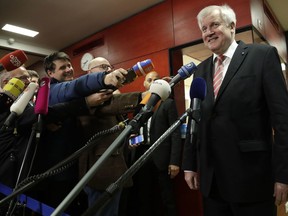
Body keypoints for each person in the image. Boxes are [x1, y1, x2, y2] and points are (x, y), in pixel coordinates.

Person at [182, 4, 288, 216]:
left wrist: (283, 175)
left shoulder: (262, 56)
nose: (208, 32)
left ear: (232, 26)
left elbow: (283, 119)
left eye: (214, 25)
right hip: (212, 184)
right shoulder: (200, 70)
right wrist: (189, 164)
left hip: (253, 181)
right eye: (204, 28)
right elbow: (195, 120)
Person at [29, 52, 128, 215]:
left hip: (79, 170)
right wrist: (103, 78)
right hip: (59, 174)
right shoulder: (48, 91)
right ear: (50, 73)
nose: (68, 69)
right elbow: (72, 88)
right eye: (63, 67)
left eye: (69, 65)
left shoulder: (72, 90)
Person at [78, 56, 142, 216]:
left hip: (113, 164)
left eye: (109, 66)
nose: (108, 70)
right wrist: (146, 96)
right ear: (89, 72)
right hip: (99, 169)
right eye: (103, 67)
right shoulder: (88, 93)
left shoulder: (108, 91)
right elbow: (109, 104)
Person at [127, 71, 182, 216]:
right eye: (149, 80)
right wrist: (132, 139)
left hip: (162, 158)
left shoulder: (168, 103)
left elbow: (175, 133)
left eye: (155, 80)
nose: (152, 82)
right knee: (143, 197)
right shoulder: (140, 105)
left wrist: (174, 161)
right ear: (145, 84)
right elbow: (134, 129)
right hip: (141, 156)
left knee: (167, 198)